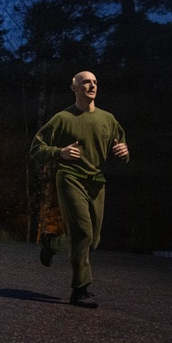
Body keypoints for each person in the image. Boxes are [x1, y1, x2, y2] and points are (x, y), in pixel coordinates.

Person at [30, 71, 129, 309]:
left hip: (96, 182)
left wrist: (124, 153)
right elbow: (36, 148)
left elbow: (121, 147)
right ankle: (80, 289)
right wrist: (59, 153)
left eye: (95, 82)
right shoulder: (63, 118)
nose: (92, 85)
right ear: (74, 88)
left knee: (91, 241)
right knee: (83, 233)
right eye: (86, 82)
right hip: (70, 178)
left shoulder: (107, 119)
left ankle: (51, 244)